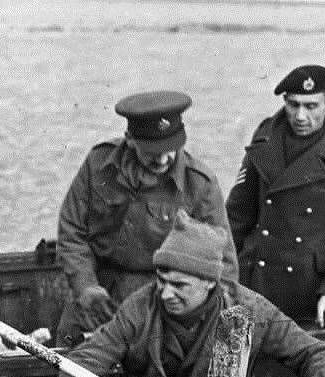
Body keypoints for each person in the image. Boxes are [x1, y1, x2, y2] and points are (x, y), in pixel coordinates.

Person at [46, 211, 325, 377]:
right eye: (161, 281)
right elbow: (89, 358)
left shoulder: (248, 309)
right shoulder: (142, 306)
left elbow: (315, 354)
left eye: (179, 285)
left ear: (209, 282)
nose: (166, 294)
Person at [55, 91, 239, 347]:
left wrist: (211, 322)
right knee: (70, 366)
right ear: (130, 140)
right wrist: (86, 286)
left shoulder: (199, 183)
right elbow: (72, 232)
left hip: (163, 302)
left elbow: (223, 264)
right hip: (98, 296)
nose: (164, 159)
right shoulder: (98, 164)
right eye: (152, 152)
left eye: (172, 149)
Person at [225, 64, 325, 329]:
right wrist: (225, 277)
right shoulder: (264, 139)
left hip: (314, 295)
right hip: (259, 283)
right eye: (293, 104)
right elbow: (237, 215)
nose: (300, 115)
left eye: (311, 106)